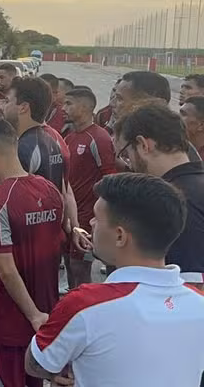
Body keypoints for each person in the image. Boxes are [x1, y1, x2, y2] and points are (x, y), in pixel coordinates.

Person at [27, 173, 204, 387]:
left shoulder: (83, 305)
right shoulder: (199, 303)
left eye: (97, 218)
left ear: (120, 236)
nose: (91, 223)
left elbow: (36, 362)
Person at [0, 118, 63, 387]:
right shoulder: (50, 190)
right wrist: (39, 314)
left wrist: (32, 313)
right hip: (45, 313)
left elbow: (6, 268)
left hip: (8, 320)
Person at [113, 105, 204, 286]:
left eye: (126, 154)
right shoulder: (195, 184)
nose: (128, 164)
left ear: (143, 144)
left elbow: (192, 284)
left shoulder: (174, 199)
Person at [63, 88, 116, 287]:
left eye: (69, 104)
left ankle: (85, 308)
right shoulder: (69, 137)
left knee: (80, 267)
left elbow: (109, 177)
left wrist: (100, 214)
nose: (63, 108)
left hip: (86, 215)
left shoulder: (99, 138)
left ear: (85, 108)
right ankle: (71, 306)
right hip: (69, 213)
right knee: (69, 263)